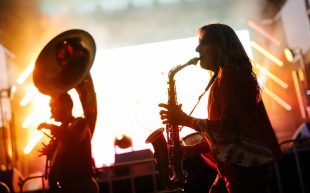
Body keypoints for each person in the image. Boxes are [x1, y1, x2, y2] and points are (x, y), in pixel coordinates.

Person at [159, 23, 283, 193]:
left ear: (220, 46)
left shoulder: (229, 77)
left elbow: (227, 127)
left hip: (244, 173)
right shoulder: (226, 76)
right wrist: (192, 150)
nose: (197, 49)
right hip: (239, 170)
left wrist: (185, 120)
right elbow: (230, 137)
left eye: (203, 43)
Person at [37, 93, 98, 193]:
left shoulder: (80, 123)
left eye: (54, 105)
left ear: (66, 105)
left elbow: (73, 138)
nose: (51, 110)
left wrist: (51, 127)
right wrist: (52, 153)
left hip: (80, 187)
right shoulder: (61, 131)